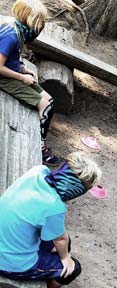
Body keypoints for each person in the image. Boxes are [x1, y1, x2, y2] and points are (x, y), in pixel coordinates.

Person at [0, 152, 100, 288]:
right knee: (73, 269)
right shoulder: (54, 207)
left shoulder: (38, 171)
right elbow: (60, 239)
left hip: (7, 238)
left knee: (63, 243)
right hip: (10, 263)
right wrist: (66, 258)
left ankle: (46, 267)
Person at [0, 0, 59, 166]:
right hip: (5, 78)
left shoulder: (14, 27)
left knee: (50, 100)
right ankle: (39, 148)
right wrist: (21, 78)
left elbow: (10, 57)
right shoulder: (11, 35)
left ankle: (41, 137)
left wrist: (22, 68)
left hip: (14, 72)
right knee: (45, 106)